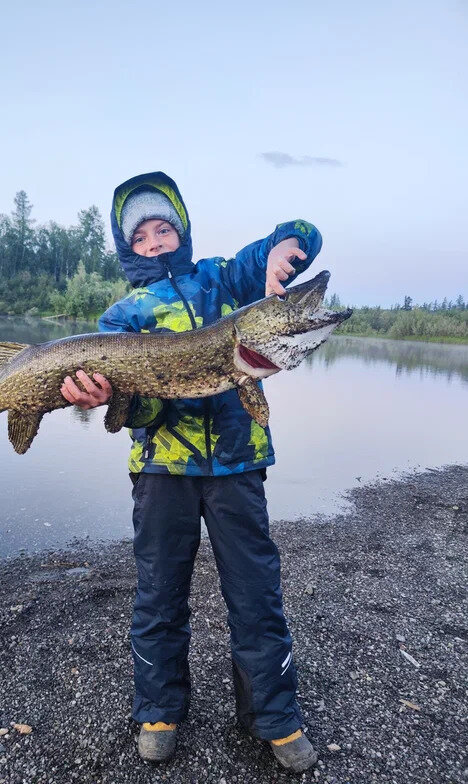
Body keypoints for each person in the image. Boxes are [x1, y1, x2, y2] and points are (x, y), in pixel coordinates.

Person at [60, 172, 322, 773]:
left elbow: (298, 237)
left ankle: (275, 718)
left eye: (164, 228)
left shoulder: (225, 279)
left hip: (238, 465)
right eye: (142, 236)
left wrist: (289, 244)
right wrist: (104, 397)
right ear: (129, 247)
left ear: (181, 230)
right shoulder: (122, 318)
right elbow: (141, 411)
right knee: (158, 593)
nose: (155, 242)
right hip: (162, 472)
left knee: (256, 593)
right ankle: (159, 711)